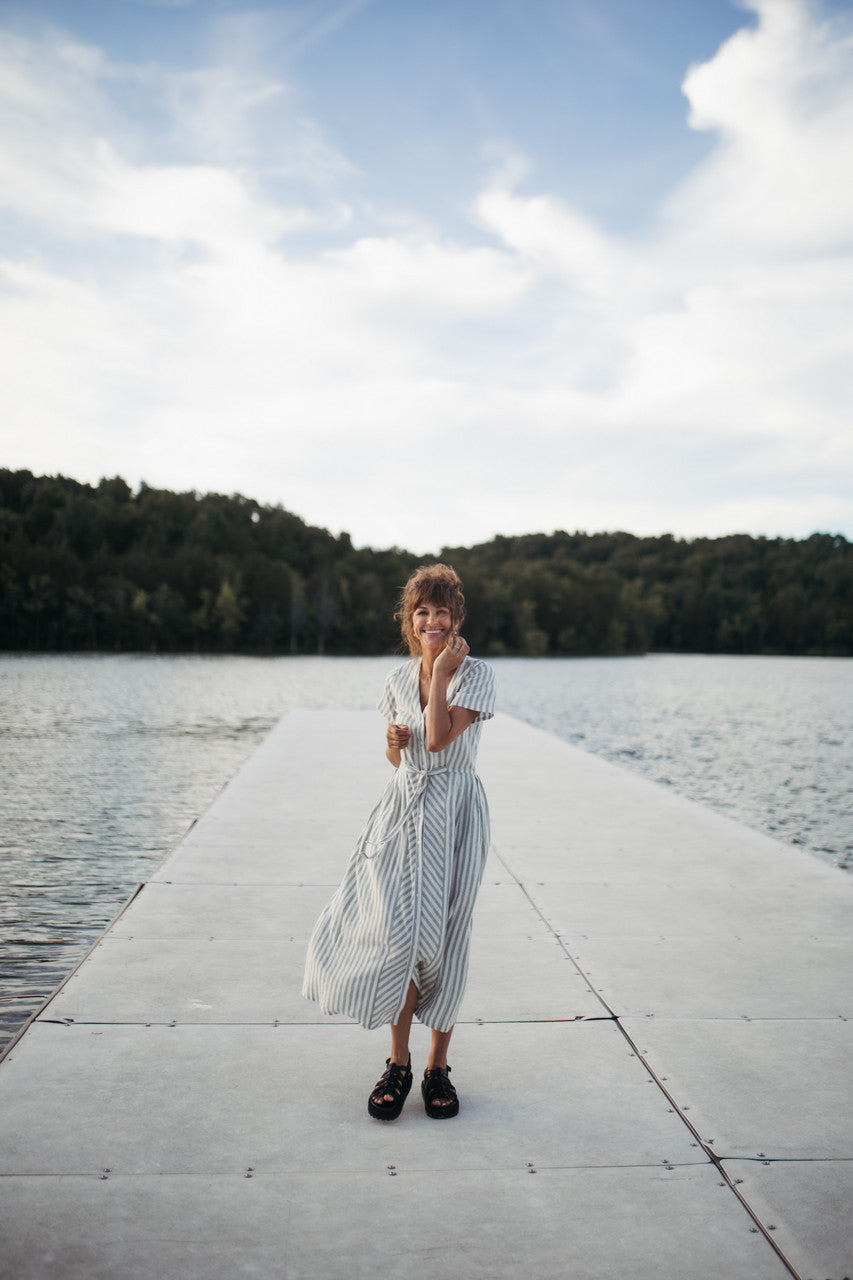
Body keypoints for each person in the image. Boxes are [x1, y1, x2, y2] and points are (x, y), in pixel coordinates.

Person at [302, 563, 496, 1120]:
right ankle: (399, 1063)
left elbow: (437, 741)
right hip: (401, 812)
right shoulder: (394, 681)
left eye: (441, 611)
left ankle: (438, 1069)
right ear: (409, 621)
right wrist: (390, 743)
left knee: (445, 941)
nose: (431, 620)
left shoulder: (476, 674)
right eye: (421, 612)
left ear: (456, 617)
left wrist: (438, 677)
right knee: (396, 936)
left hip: (454, 815)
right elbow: (403, 755)